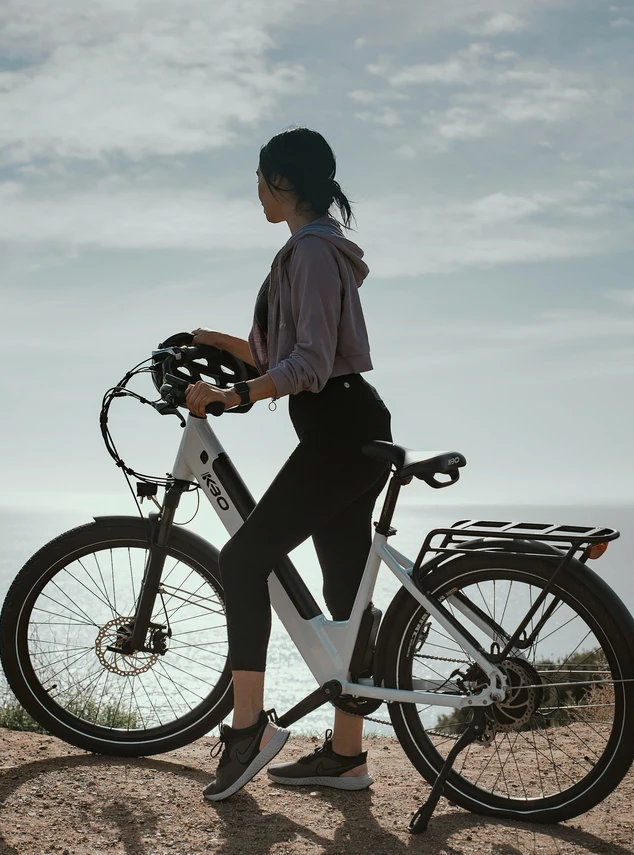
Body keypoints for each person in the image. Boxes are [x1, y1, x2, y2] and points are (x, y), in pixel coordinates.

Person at [184, 127, 393, 802]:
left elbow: (303, 364)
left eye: (258, 179)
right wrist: (199, 343)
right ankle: (346, 756)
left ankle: (248, 730)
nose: (255, 191)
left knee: (242, 559)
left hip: (339, 433)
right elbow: (274, 350)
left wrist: (235, 393)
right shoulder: (311, 250)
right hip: (350, 426)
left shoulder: (308, 253)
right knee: (344, 594)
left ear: (279, 182)